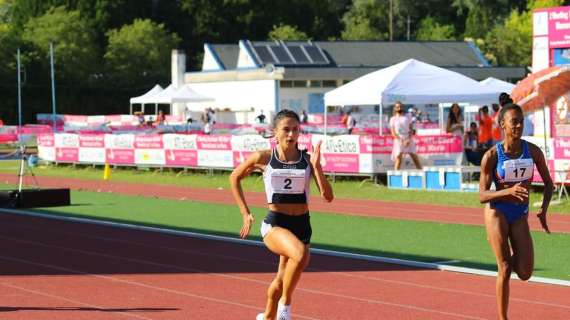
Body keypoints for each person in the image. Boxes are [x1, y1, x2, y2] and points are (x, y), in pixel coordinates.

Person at [229, 109, 333, 320]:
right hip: (275, 224)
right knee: (300, 255)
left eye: (296, 130)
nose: (291, 135)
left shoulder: (307, 159)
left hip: (303, 224)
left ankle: (267, 315)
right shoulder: (263, 157)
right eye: (286, 130)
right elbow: (234, 177)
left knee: (283, 275)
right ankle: (284, 311)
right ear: (275, 133)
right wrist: (245, 213)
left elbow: (328, 197)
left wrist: (317, 167)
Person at [479, 103, 553, 320]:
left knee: (525, 272)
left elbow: (549, 184)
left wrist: (543, 209)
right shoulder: (492, 156)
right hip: (497, 212)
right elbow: (482, 195)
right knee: (504, 267)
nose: (519, 125)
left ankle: (507, 256)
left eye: (521, 121)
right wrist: (508, 191)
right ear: (503, 125)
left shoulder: (533, 151)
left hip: (519, 214)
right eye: (514, 122)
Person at [390, 101, 422, 170]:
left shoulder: (408, 116)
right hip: (398, 140)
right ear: (395, 108)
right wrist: (400, 140)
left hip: (408, 138)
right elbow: (393, 132)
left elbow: (411, 129)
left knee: (414, 157)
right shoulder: (393, 119)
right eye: (397, 107)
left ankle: (422, 174)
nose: (399, 108)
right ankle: (396, 176)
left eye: (400, 106)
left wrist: (408, 139)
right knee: (398, 158)